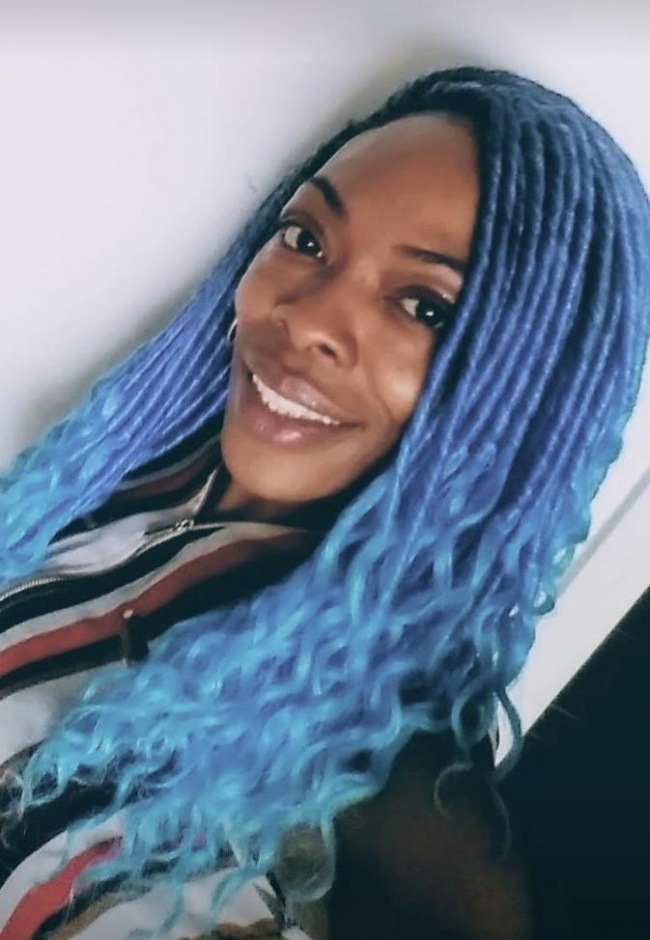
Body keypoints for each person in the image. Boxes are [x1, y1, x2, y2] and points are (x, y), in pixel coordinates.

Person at [0, 65, 648, 940]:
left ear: (523, 400)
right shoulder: (101, 488)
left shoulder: (391, 799)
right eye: (306, 238)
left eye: (423, 307)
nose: (307, 322)